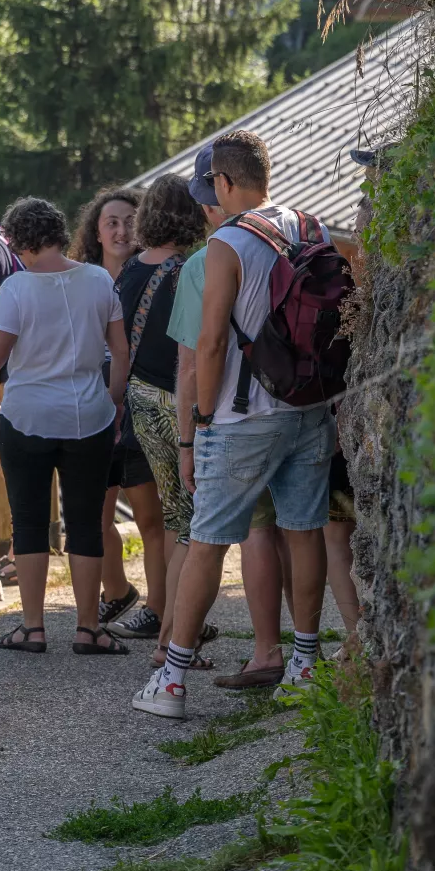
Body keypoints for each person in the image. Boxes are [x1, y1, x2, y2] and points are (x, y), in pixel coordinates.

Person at [133, 130, 337, 720]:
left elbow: (211, 341)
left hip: (241, 416)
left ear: (223, 182)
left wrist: (194, 428)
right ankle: (303, 664)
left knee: (206, 541)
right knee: (304, 530)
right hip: (308, 406)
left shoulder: (226, 244)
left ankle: (170, 681)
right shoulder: (312, 227)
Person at [0, 197, 130, 655]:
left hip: (28, 416)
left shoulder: (16, 288)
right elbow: (121, 352)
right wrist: (112, 405)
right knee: (87, 523)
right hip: (89, 416)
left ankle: (33, 628)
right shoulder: (97, 280)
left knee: (31, 523)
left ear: (17, 242)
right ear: (58, 231)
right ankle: (88, 628)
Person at [106, 175, 206, 654]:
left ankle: (168, 614)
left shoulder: (128, 271)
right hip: (178, 399)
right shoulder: (190, 269)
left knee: (171, 513)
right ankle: (177, 630)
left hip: (140, 398)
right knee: (189, 522)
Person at [72, 187, 159, 627]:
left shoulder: (157, 273)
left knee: (149, 513)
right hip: (95, 404)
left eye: (130, 220)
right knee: (96, 510)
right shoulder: (82, 278)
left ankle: (160, 608)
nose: (122, 230)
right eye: (112, 222)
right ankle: (117, 591)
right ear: (97, 232)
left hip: (144, 402)